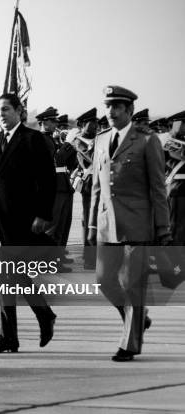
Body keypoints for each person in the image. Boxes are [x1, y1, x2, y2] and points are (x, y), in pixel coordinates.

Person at [88, 86, 171, 361]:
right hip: (106, 223)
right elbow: (96, 188)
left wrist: (163, 229)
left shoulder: (147, 141)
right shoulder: (101, 140)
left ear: (129, 111)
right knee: (104, 280)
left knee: (132, 284)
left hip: (137, 223)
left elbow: (158, 187)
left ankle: (129, 344)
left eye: (117, 107)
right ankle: (137, 317)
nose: (110, 112)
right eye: (108, 106)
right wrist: (91, 225)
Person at [0, 93, 58, 353]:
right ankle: (31, 322)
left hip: (23, 219)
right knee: (8, 276)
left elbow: (48, 180)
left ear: (18, 111)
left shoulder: (32, 139)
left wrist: (43, 215)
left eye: (5, 109)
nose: (1, 114)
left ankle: (16, 333)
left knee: (9, 275)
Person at [70, 108, 99, 269]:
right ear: (82, 124)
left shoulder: (97, 138)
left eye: (95, 122)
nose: (95, 125)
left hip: (101, 182)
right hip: (90, 184)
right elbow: (90, 160)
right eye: (91, 122)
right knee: (89, 219)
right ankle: (89, 258)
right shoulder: (78, 140)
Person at [165, 110, 185, 245]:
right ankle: (175, 264)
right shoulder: (169, 143)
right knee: (177, 228)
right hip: (179, 191)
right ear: (177, 124)